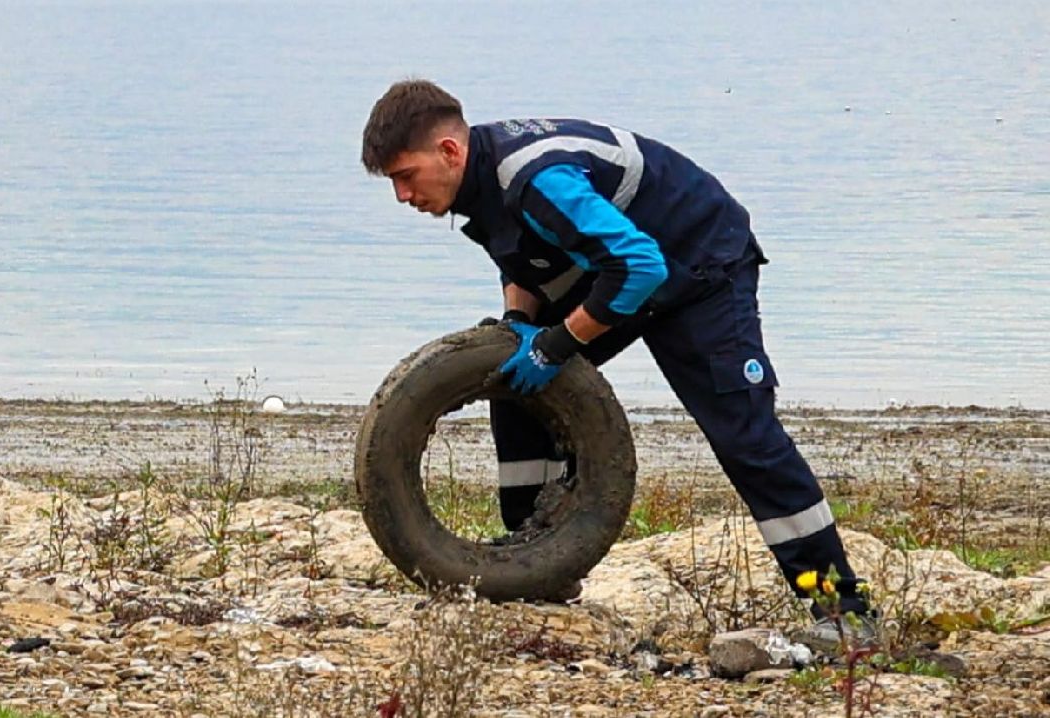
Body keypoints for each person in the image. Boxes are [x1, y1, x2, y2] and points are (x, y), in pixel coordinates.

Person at [360, 79, 871, 645]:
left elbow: (641, 266)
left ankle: (843, 612)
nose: (403, 196)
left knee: (745, 439)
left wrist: (556, 345)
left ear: (448, 152)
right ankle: (538, 568)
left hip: (696, 263)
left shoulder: (535, 178)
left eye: (405, 176)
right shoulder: (475, 184)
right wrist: (519, 327)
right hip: (619, 269)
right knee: (517, 392)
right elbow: (524, 259)